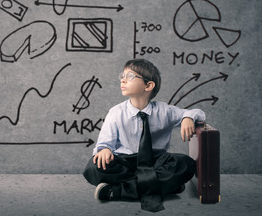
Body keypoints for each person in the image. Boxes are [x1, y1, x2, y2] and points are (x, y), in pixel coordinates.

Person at [83, 59, 205, 212]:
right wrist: (104, 150)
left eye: (131, 76)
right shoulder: (116, 112)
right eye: (122, 75)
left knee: (186, 164)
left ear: (148, 85)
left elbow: (198, 113)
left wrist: (188, 117)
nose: (123, 79)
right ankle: (162, 186)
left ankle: (118, 191)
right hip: (126, 163)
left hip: (156, 162)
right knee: (93, 167)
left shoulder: (164, 110)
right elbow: (104, 143)